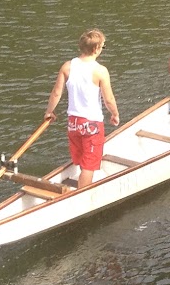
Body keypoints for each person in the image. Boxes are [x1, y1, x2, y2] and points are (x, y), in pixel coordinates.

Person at [43, 28, 120, 189]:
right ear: (96, 49)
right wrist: (115, 114)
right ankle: (82, 194)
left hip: (73, 123)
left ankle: (80, 184)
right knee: (89, 165)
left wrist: (49, 111)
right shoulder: (100, 71)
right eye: (103, 47)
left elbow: (56, 93)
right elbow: (109, 99)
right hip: (92, 124)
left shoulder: (67, 66)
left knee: (79, 159)